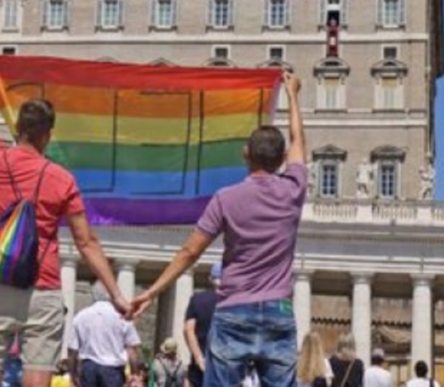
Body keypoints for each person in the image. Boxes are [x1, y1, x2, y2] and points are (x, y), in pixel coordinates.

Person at [131, 71, 307, 387]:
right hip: (279, 309)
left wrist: (151, 292)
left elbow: (190, 251)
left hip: (234, 308)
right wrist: (293, 97)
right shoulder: (294, 189)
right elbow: (298, 141)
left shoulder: (226, 198)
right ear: (282, 159)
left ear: (245, 154)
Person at [0, 52, 128, 387]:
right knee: (38, 378)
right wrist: (115, 294)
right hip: (43, 287)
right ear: (47, 135)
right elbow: (86, 242)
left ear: (18, 129)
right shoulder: (62, 179)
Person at [68, 282, 141, 387]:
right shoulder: (122, 318)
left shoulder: (81, 316)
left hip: (88, 368)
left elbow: (72, 350)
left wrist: (73, 373)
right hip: (113, 370)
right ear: (113, 295)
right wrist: (135, 373)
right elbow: (132, 350)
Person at [184, 262, 222, 387]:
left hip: (202, 363)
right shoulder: (235, 301)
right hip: (226, 361)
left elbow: (188, 330)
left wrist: (198, 357)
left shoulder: (197, 299)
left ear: (211, 279)